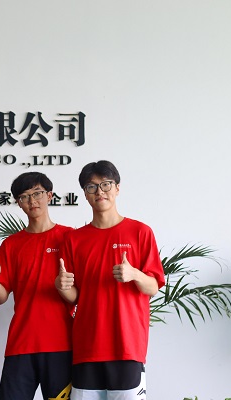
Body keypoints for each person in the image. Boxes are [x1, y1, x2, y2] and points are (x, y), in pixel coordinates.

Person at [57, 160, 165, 400]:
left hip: (127, 347)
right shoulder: (74, 239)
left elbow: (154, 286)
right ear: (85, 194)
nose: (100, 191)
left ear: (117, 188)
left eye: (105, 184)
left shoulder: (140, 232)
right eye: (91, 187)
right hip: (87, 347)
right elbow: (75, 297)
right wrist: (62, 287)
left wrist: (134, 274)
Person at [0, 172, 74, 400]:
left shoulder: (70, 237)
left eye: (37, 194)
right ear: (18, 203)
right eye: (25, 197)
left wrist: (64, 287)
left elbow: (81, 294)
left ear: (49, 196)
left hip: (61, 343)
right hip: (21, 342)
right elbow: (0, 297)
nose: (32, 201)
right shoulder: (11, 244)